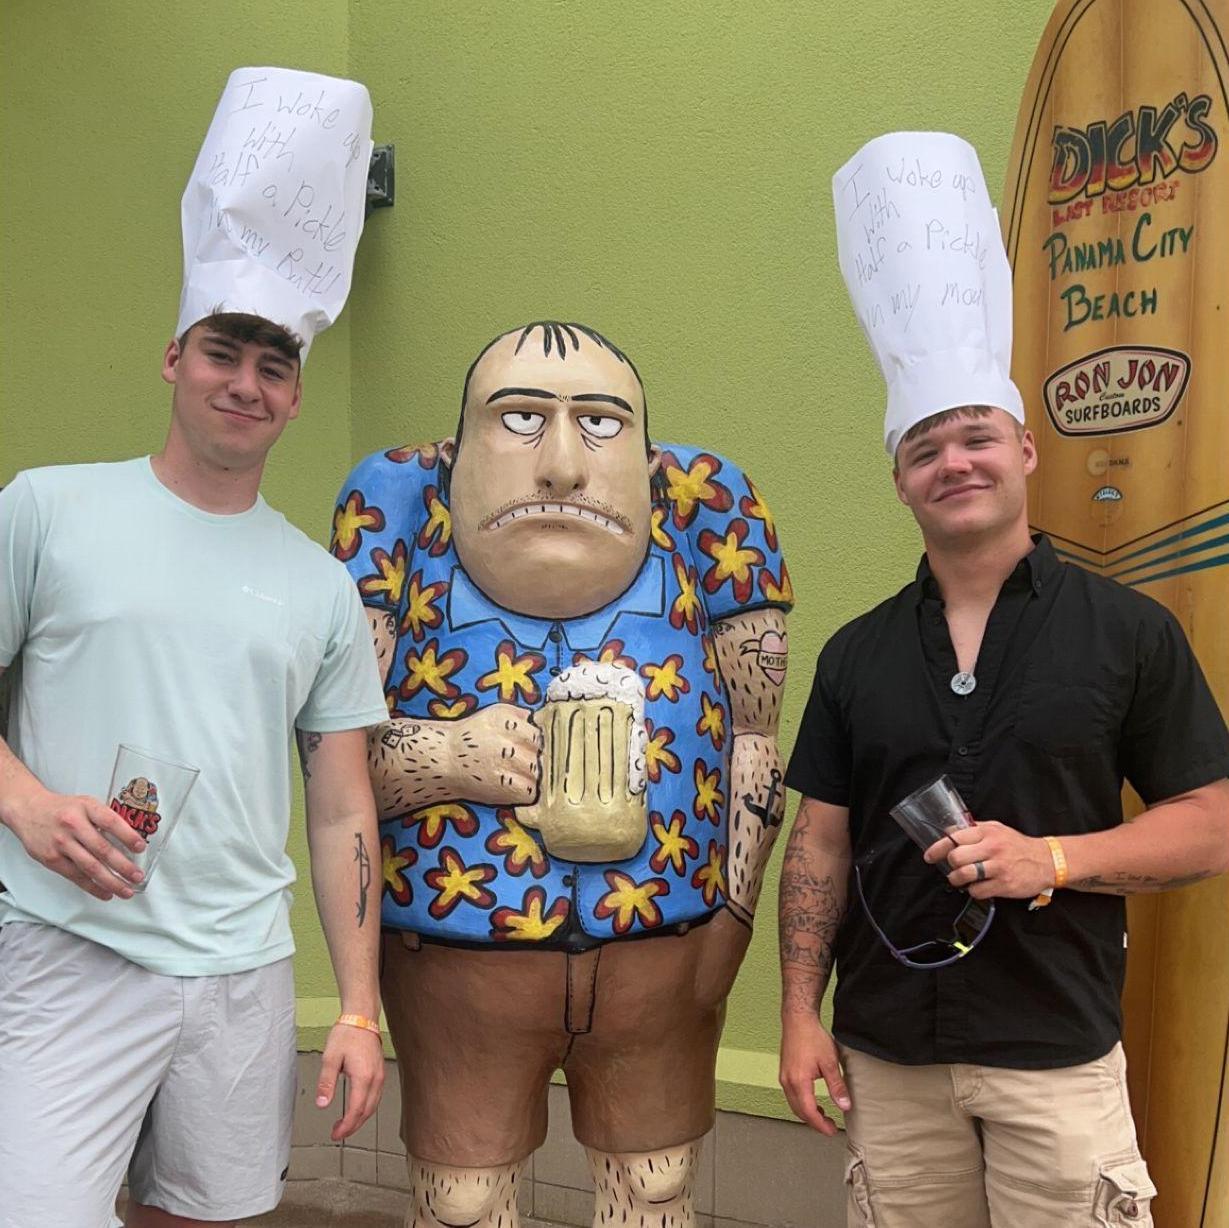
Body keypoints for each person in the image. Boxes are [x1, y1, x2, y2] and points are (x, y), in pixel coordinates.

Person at [777, 131, 1229, 1227]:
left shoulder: (1126, 633)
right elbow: (819, 844)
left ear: (1023, 451)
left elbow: (1210, 823)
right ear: (899, 480)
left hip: (1056, 1058)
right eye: (925, 448)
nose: (955, 462)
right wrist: (797, 1013)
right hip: (888, 1058)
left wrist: (1052, 859)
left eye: (976, 436)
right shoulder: (855, 654)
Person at [0, 68, 388, 1228]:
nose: (246, 384)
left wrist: (357, 1007)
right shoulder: (48, 508)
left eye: (275, 366)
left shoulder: (320, 586)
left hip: (239, 975)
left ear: (296, 397)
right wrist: (27, 804)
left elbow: (342, 809)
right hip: (64, 948)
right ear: (175, 356)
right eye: (225, 353)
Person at [332, 320, 793, 1227]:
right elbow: (333, 769)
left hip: (657, 960)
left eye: (599, 423)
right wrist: (444, 757)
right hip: (457, 965)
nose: (560, 466)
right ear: (449, 461)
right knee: (463, 1201)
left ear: (652, 468)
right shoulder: (402, 527)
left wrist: (732, 924)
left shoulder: (706, 524)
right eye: (518, 419)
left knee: (655, 1186)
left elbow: (755, 741)